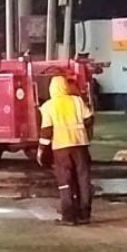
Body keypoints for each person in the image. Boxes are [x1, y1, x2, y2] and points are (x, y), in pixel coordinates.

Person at [38, 75, 94, 225]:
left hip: (61, 148)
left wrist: (41, 150)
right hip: (81, 145)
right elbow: (89, 119)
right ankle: (84, 214)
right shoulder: (77, 101)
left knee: (65, 181)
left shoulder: (48, 106)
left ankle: (69, 216)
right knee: (83, 179)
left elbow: (46, 131)